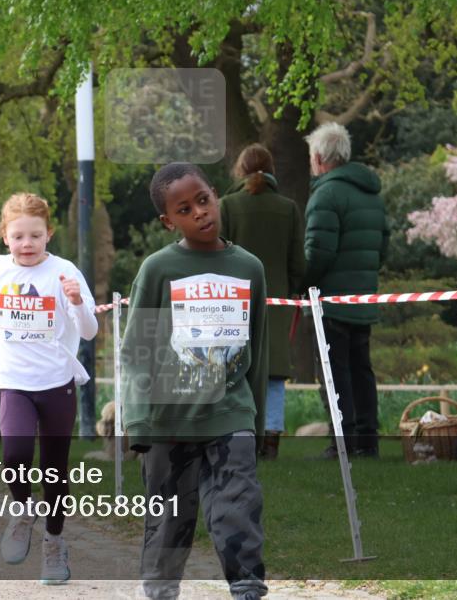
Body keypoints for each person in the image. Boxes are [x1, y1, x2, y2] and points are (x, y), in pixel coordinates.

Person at [121, 163, 269, 600]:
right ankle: (161, 590)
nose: (200, 213)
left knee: (237, 504)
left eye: (203, 200)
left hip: (230, 410)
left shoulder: (250, 268)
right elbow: (136, 352)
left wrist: (254, 420)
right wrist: (139, 422)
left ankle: (246, 586)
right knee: (170, 515)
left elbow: (256, 350)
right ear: (169, 221)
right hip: (169, 416)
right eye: (185, 209)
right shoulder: (158, 269)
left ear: (215, 196)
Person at [0, 192, 98, 585]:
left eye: (35, 235)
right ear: (5, 237)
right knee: (14, 454)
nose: (27, 244)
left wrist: (77, 303)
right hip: (13, 380)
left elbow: (89, 331)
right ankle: (22, 510)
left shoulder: (65, 272)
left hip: (56, 382)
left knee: (54, 469)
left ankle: (54, 541)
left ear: (49, 234)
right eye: (18, 236)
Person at [302, 123, 389, 459]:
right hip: (363, 296)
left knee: (334, 372)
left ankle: (343, 441)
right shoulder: (371, 193)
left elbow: (318, 253)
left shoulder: (326, 194)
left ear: (320, 158)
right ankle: (368, 440)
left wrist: (301, 282)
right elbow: (383, 246)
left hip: (331, 301)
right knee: (361, 369)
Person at [220, 144, 304, 459]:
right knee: (273, 374)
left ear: (240, 171)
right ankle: (270, 443)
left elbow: (218, 255)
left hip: (234, 302)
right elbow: (298, 263)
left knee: (234, 371)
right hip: (276, 304)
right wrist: (289, 290)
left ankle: (238, 438)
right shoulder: (288, 208)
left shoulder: (227, 206)